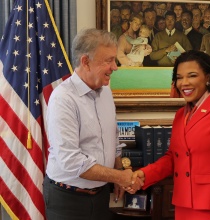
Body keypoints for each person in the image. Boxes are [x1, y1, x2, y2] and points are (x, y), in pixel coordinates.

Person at [127, 50, 210, 219]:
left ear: (208, 77)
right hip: (183, 205)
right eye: (179, 77)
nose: (184, 83)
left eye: (192, 76)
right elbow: (174, 158)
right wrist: (145, 174)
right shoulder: (181, 114)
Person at [43, 28, 143, 220]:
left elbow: (112, 137)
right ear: (85, 62)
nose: (115, 67)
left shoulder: (105, 91)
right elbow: (71, 161)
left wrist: (119, 172)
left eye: (115, 59)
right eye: (108, 60)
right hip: (67, 200)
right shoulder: (63, 99)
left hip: (100, 196)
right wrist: (119, 177)